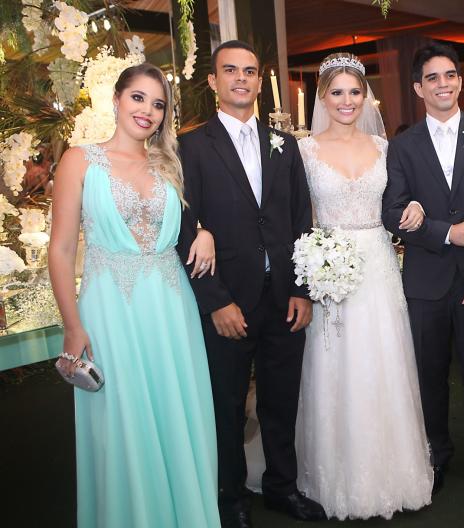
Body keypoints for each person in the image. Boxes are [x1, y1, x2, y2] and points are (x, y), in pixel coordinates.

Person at [49, 63, 221, 527]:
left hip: (171, 306)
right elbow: (61, 249)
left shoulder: (170, 163)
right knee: (123, 422)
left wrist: (204, 231)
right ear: (117, 99)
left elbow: (197, 217)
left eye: (158, 104)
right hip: (110, 309)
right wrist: (72, 325)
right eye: (138, 98)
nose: (148, 110)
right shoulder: (79, 160)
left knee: (175, 415)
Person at [175, 40, 324, 526]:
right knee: (228, 404)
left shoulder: (285, 144)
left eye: (250, 71)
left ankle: (282, 488)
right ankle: (231, 498)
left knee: (282, 399)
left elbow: (301, 219)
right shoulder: (190, 146)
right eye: (230, 70)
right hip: (228, 299)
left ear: (260, 81)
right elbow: (183, 228)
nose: (241, 78)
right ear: (213, 81)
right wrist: (215, 301)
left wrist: (301, 289)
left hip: (282, 297)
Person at [288, 52, 433, 520]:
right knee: (335, 364)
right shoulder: (303, 151)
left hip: (378, 263)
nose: (347, 100)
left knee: (384, 360)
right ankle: (335, 477)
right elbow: (297, 213)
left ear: (366, 96)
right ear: (322, 97)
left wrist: (417, 208)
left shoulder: (386, 147)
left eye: (355, 91)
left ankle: (394, 475)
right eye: (337, 92)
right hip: (328, 268)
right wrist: (312, 261)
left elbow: (403, 199)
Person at [382, 43, 464, 497]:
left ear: (461, 81)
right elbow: (392, 211)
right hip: (425, 282)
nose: (444, 84)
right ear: (419, 88)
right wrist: (445, 233)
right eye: (433, 77)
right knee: (429, 375)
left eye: (451, 75)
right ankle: (436, 457)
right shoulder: (402, 146)